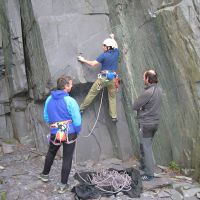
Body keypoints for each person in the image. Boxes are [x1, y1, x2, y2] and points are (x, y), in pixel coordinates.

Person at [38, 75, 81, 193]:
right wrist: (77, 131)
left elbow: (46, 117)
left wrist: (55, 125)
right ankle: (63, 185)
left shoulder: (49, 99)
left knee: (51, 153)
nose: (72, 86)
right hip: (69, 132)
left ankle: (44, 175)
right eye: (71, 84)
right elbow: (77, 120)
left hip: (55, 132)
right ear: (66, 86)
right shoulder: (70, 101)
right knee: (67, 158)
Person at [77, 34, 119, 122]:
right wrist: (112, 38)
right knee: (112, 97)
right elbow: (116, 45)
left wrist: (83, 60)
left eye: (104, 46)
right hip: (112, 79)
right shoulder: (116, 52)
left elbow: (93, 64)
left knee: (92, 93)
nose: (102, 47)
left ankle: (81, 109)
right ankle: (114, 116)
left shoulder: (104, 55)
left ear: (108, 47)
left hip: (102, 80)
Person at [133, 69, 162, 181]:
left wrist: (141, 108)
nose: (143, 79)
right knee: (146, 145)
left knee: (146, 148)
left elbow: (135, 106)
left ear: (148, 79)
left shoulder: (147, 93)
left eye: (144, 77)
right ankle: (145, 166)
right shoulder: (159, 90)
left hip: (146, 124)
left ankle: (149, 174)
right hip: (155, 123)